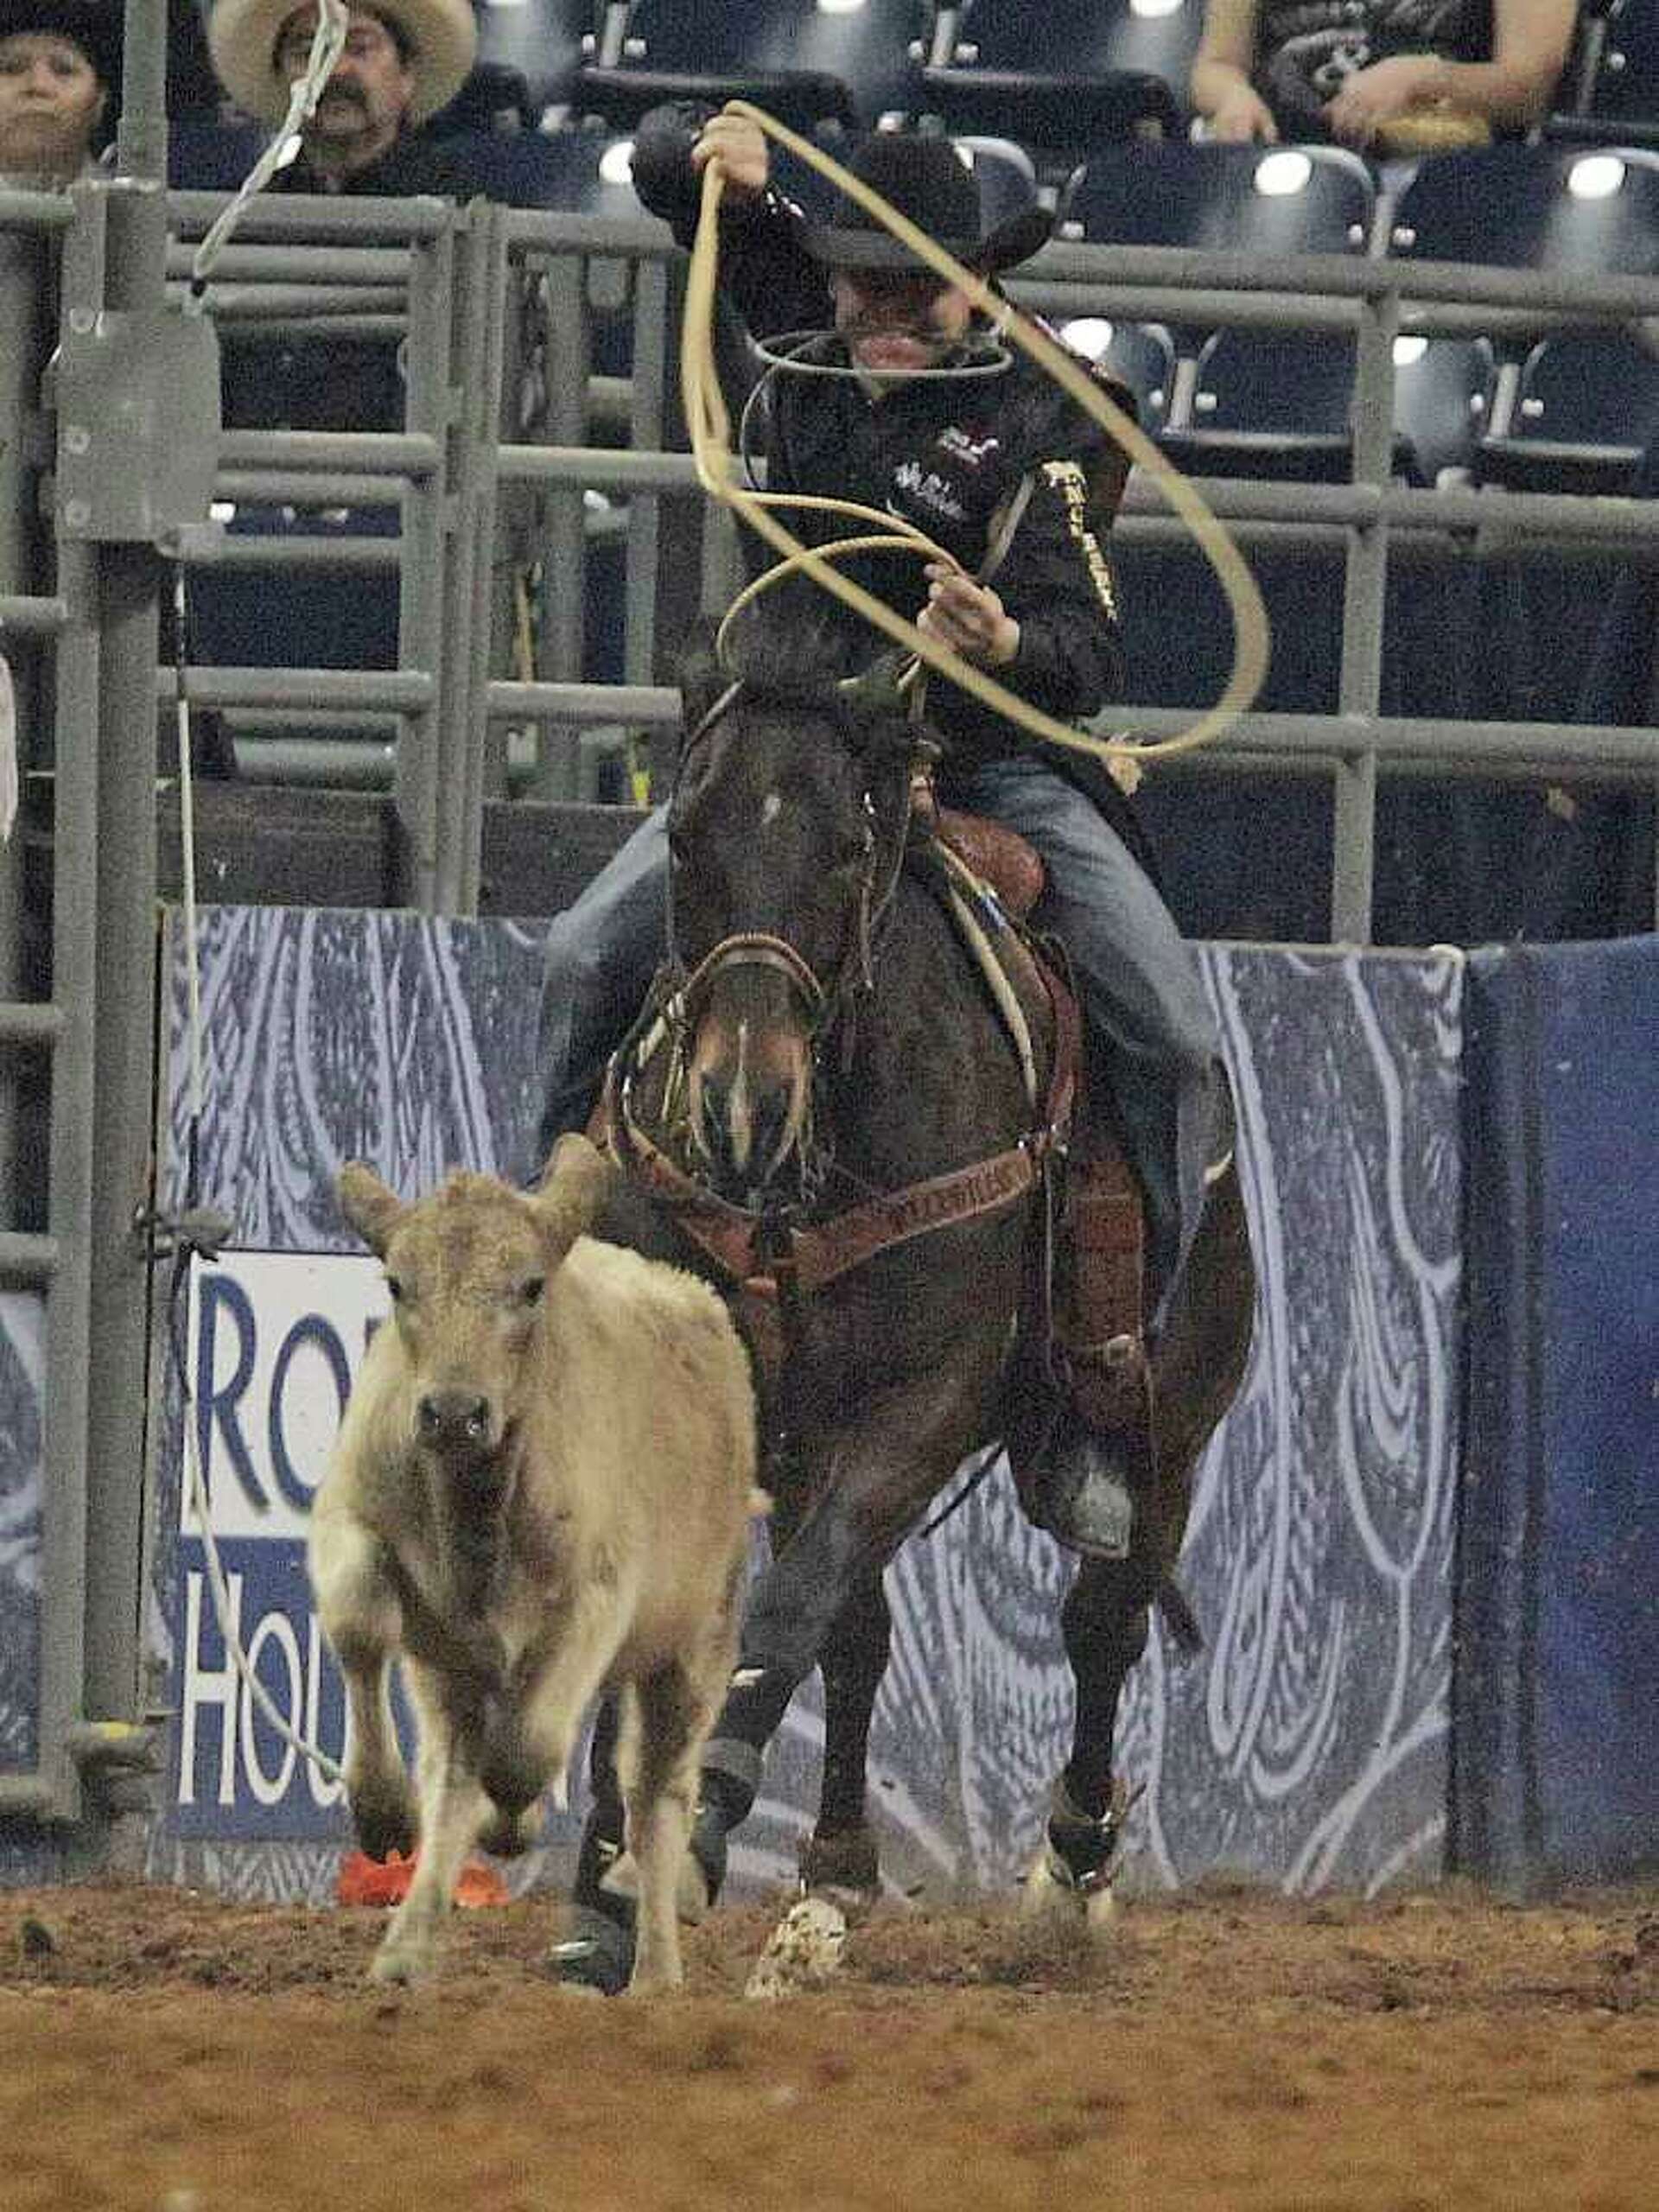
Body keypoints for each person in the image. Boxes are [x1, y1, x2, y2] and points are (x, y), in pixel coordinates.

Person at [531, 110, 1250, 1554]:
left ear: (975, 286)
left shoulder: (1046, 416)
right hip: (797, 755)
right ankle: (543, 1279)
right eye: (859, 285)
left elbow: (1084, 658)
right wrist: (706, 148)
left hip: (992, 766)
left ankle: (1114, 1371)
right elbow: (666, 177)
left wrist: (993, 642)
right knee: (580, 954)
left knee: (1168, 1030)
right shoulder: (808, 329)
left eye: (910, 293)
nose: (877, 318)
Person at [1189, 0, 1575, 153]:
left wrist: (1423, 77)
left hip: (1433, 171)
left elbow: (1531, 87)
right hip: (1281, 153)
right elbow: (1218, 64)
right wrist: (1233, 98)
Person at [205, 0, 476, 194]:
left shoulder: (462, 214)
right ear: (282, 81)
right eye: (309, 51)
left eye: (360, 47)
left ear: (407, 74)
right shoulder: (243, 223)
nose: (335, 69)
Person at [0, 0, 118, 183]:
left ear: (99, 101)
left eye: (64, 70)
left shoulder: (148, 209)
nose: (38, 86)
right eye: (11, 69)